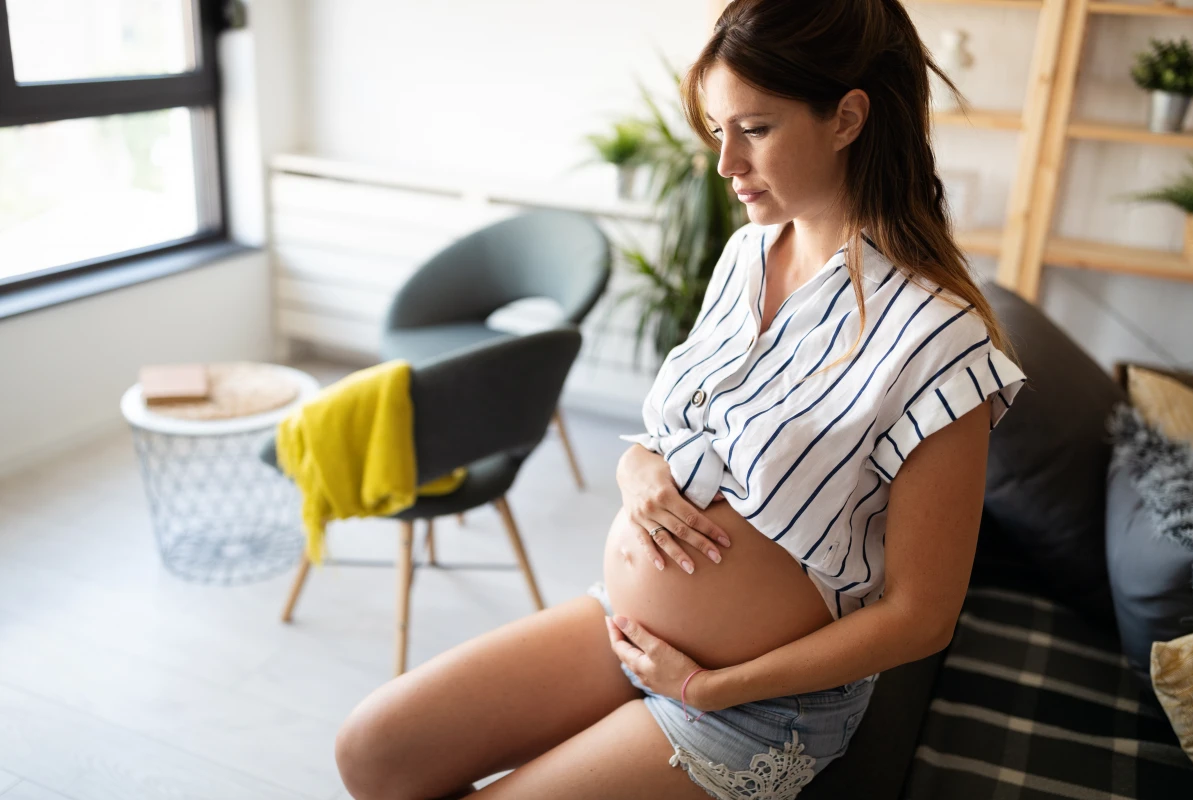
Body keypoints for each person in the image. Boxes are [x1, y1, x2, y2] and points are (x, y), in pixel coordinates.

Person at [332, 1, 1027, 798]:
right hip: (627, 629)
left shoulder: (941, 341)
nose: (724, 162)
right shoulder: (746, 253)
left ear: (847, 119)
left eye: (755, 129)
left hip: (750, 706)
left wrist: (708, 686)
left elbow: (919, 616)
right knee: (373, 751)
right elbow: (675, 432)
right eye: (719, 128)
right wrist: (637, 471)